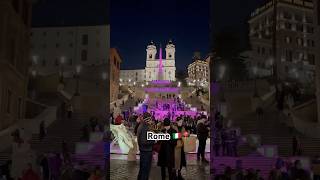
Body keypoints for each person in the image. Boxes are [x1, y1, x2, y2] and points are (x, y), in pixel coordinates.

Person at [137, 113, 155, 180]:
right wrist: (154, 141)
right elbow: (144, 141)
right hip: (146, 151)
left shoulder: (142, 125)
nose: (151, 120)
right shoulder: (145, 127)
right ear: (147, 119)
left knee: (142, 170)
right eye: (150, 119)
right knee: (145, 171)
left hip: (144, 151)